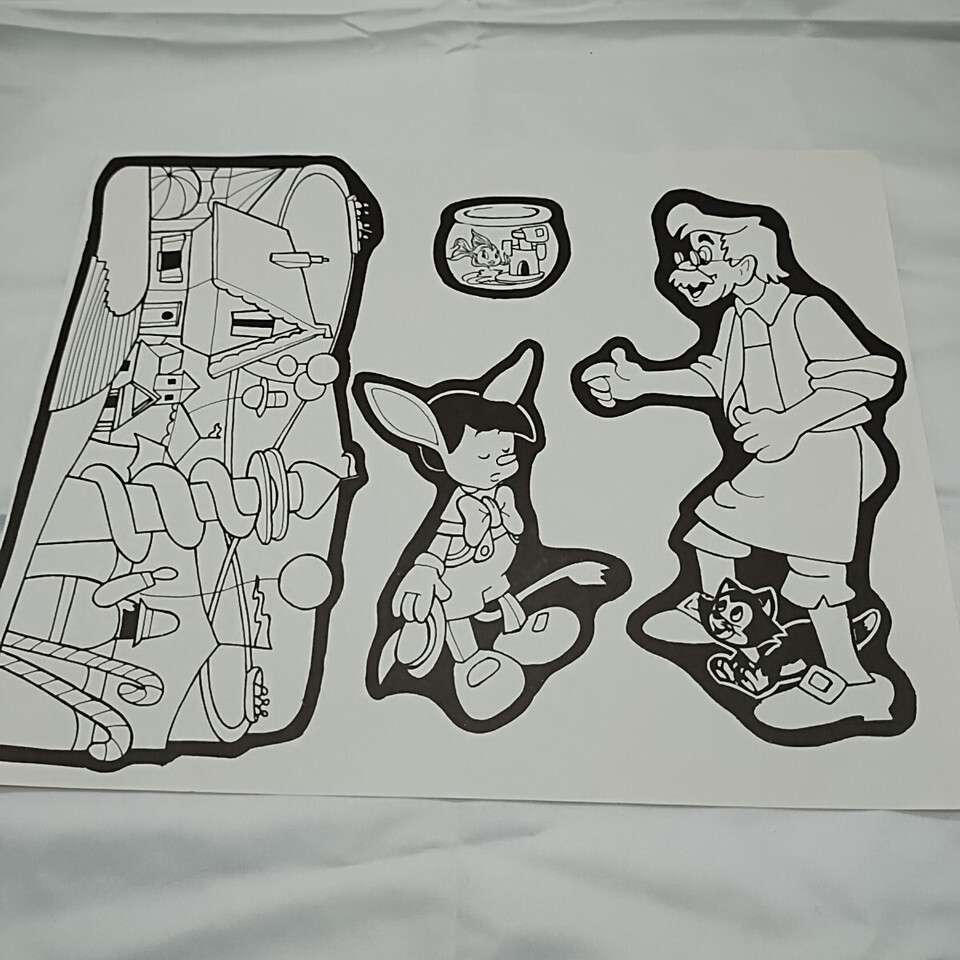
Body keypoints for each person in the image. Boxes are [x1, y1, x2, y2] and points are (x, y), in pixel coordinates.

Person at [581, 198, 900, 728]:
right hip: (779, 457)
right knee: (713, 531)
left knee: (815, 571)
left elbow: (871, 376)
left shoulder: (806, 311)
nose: (681, 273)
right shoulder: (737, 317)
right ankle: (718, 615)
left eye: (700, 258)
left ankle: (855, 684)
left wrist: (790, 423)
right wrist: (642, 382)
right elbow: (714, 375)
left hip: (829, 453)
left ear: (746, 262)